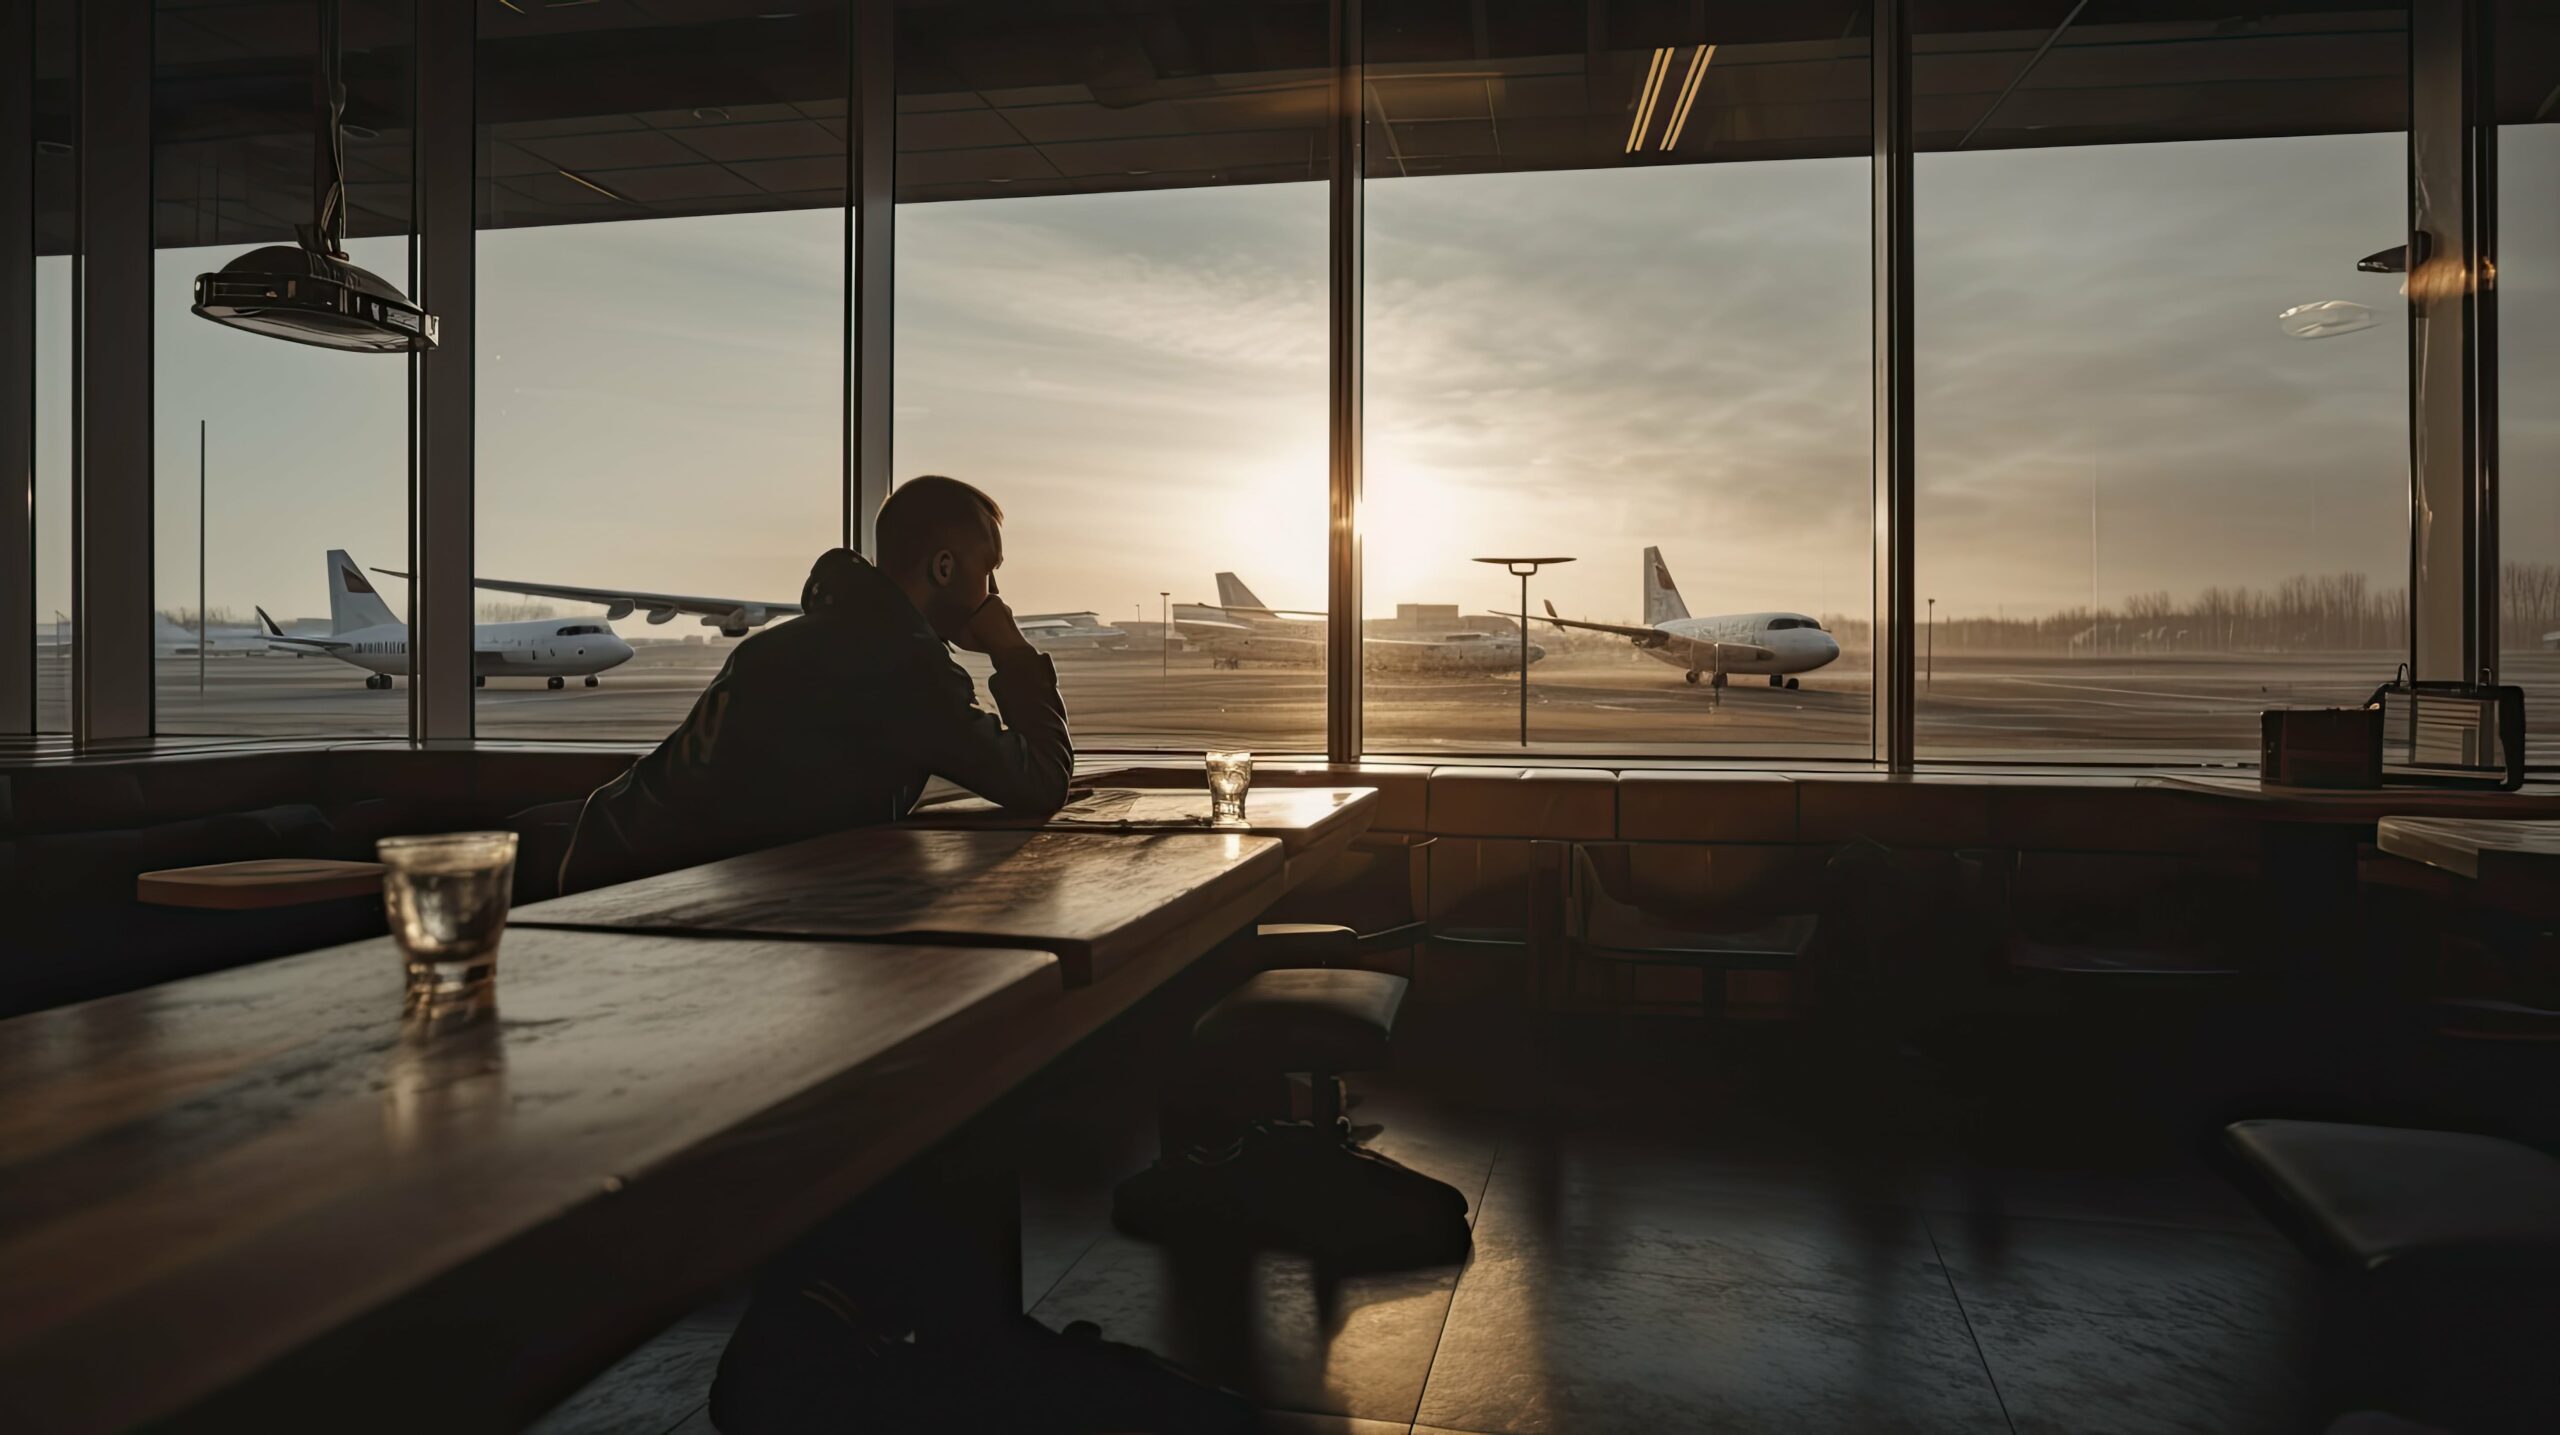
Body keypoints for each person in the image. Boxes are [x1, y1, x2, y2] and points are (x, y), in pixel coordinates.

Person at [559, 474, 1074, 894]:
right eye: (990, 572)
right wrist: (1013, 653)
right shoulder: (902, 664)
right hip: (637, 893)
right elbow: (1042, 783)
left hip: (608, 853)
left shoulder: (797, 641)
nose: (997, 594)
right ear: (944, 567)